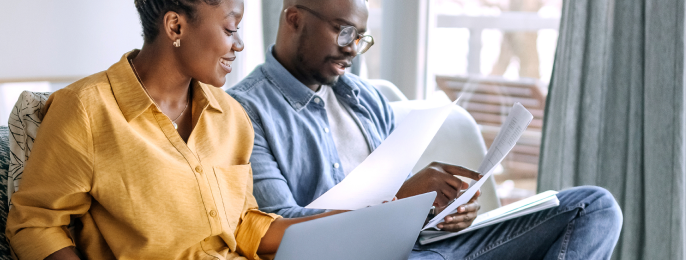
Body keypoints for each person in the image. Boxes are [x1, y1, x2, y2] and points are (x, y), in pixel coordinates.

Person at [224, 0, 625, 259]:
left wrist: (445, 209)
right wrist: (399, 201)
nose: (351, 49)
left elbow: (403, 193)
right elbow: (278, 230)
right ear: (294, 18)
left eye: (360, 39)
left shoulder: (365, 99)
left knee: (593, 206)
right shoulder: (246, 110)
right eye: (344, 32)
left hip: (429, 248)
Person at [5, 0, 364, 259]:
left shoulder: (232, 116)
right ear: (176, 26)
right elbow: (35, 225)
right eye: (230, 29)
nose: (238, 45)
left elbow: (243, 225)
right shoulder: (85, 109)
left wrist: (350, 225)